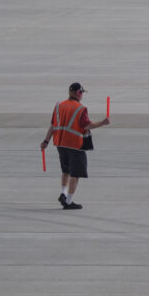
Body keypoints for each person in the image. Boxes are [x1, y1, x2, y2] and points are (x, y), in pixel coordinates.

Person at [39, 82, 103, 210]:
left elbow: (52, 125)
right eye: (82, 93)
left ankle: (63, 193)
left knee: (66, 170)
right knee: (76, 173)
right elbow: (87, 125)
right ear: (78, 93)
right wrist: (103, 123)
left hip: (60, 143)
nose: (82, 96)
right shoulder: (81, 109)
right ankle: (69, 201)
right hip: (74, 145)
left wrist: (46, 141)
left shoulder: (59, 106)